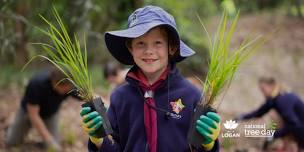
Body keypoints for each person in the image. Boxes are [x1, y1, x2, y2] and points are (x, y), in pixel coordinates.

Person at [80, 6, 221, 151]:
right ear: (130, 48)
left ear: (171, 47)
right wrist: (98, 140)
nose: (149, 51)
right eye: (140, 43)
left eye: (158, 43)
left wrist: (209, 145)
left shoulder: (192, 96)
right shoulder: (120, 98)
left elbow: (198, 147)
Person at [5, 68, 80, 151]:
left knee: (54, 148)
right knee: (12, 141)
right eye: (65, 89)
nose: (67, 91)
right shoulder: (36, 84)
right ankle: (12, 128)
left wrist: (95, 101)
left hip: (50, 114)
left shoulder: (70, 85)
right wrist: (48, 139)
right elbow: (33, 115)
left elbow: (86, 97)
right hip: (28, 113)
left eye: (68, 89)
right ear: (55, 83)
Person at [236, 76, 304, 150]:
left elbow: (293, 124)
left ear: (271, 85)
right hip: (297, 128)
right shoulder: (274, 99)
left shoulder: (282, 99)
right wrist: (241, 117)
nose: (263, 93)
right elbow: (259, 112)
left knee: (274, 116)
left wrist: (273, 135)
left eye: (263, 89)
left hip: (300, 130)